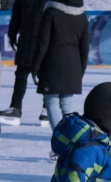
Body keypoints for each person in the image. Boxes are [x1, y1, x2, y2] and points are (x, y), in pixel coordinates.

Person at [31, 0, 89, 131]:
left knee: (51, 102)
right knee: (67, 103)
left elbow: (42, 43)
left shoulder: (51, 12)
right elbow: (84, 48)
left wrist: (35, 67)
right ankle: (69, 139)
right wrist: (80, 70)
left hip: (53, 63)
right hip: (73, 65)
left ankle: (60, 140)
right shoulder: (82, 16)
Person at [0, 0, 48, 127]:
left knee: (44, 75)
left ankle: (46, 108)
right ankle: (16, 108)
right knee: (23, 74)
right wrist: (12, 34)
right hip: (30, 42)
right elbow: (16, 17)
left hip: (43, 42)